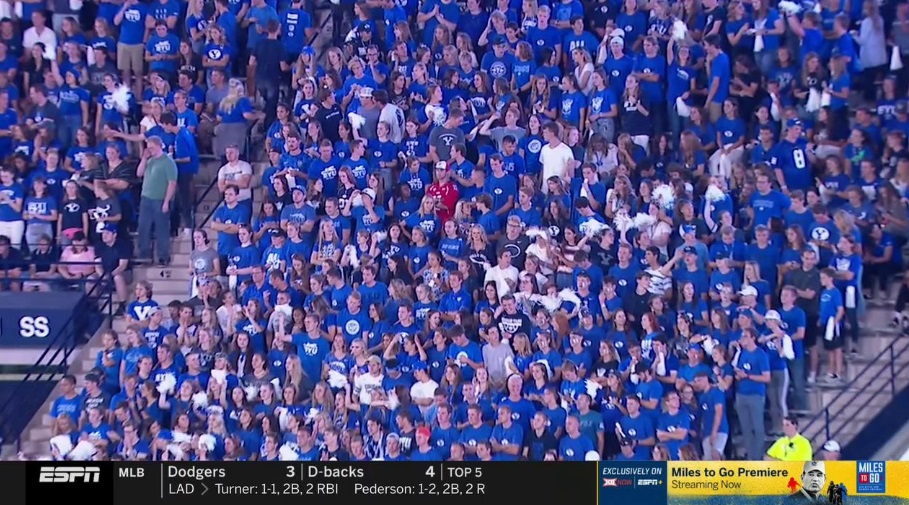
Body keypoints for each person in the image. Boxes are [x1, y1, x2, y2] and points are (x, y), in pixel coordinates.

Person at [135, 136, 177, 266]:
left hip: (160, 200)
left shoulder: (168, 162)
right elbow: (139, 173)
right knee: (143, 228)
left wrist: (166, 202)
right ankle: (144, 256)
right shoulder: (150, 160)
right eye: (148, 147)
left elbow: (172, 183)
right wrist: (143, 159)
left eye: (152, 147)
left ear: (159, 145)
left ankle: (163, 256)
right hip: (146, 199)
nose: (150, 150)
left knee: (161, 229)